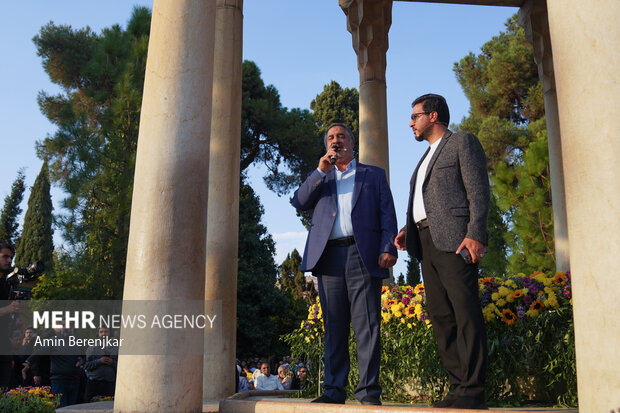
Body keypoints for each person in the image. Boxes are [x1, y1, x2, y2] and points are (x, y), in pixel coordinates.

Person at [394, 93, 490, 410]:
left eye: (415, 116)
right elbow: (430, 203)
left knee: (465, 313)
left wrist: (475, 234)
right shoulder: (423, 160)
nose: (411, 122)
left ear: (433, 116)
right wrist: (409, 229)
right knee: (442, 316)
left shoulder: (462, 142)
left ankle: (473, 390)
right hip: (426, 243)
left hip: (456, 242)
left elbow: (477, 190)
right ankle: (458, 387)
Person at [291, 123, 398, 406]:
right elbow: (299, 201)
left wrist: (388, 248)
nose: (335, 141)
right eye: (330, 138)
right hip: (329, 258)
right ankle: (334, 390)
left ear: (352, 143)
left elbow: (387, 215)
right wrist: (320, 171)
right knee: (334, 326)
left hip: (362, 255)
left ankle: (367, 392)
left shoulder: (373, 175)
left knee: (367, 326)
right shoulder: (320, 176)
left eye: (340, 136)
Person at [0, 242, 19, 388]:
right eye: (5, 256)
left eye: (11, 257)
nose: (9, 261)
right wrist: (7, 310)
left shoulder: (7, 282)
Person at [83, 327, 118, 401]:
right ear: (98, 334)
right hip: (94, 383)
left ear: (110, 333)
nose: (104, 334)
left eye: (106, 331)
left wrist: (112, 362)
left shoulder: (116, 348)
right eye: (101, 332)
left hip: (110, 383)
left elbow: (121, 367)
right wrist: (99, 361)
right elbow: (86, 365)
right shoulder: (92, 348)